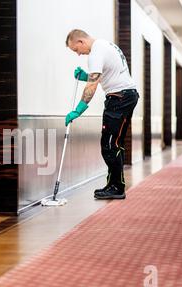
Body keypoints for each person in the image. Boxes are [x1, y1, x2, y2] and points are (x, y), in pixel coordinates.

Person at [65, 29, 139, 200]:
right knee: (114, 143)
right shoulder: (105, 45)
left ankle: (116, 187)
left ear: (81, 42)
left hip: (119, 98)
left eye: (76, 50)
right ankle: (114, 184)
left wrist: (79, 109)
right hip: (125, 96)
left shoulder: (96, 52)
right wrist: (86, 76)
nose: (78, 54)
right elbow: (104, 74)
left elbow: (92, 85)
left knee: (110, 144)